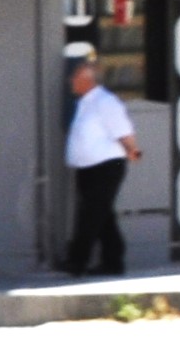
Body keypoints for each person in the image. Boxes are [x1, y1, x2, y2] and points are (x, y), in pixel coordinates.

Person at [59, 41, 140, 277]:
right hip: (87, 168)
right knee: (102, 216)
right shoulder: (85, 104)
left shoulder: (105, 102)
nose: (71, 81)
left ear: (87, 79)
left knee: (90, 215)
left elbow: (123, 132)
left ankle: (77, 261)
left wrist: (133, 151)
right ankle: (113, 261)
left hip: (106, 167)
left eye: (75, 77)